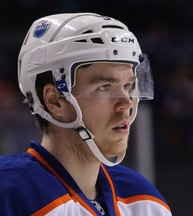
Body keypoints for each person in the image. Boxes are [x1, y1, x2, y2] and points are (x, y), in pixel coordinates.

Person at [0, 12, 172, 216]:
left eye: (128, 86)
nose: (126, 103)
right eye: (105, 87)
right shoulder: (10, 193)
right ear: (55, 101)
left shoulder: (143, 198)